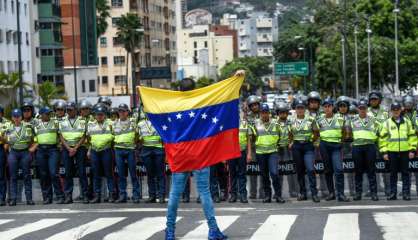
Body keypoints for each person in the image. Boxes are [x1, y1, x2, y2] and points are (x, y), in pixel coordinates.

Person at [164, 73, 245, 240]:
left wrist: (143, 92)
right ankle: (213, 229)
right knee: (205, 192)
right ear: (195, 90)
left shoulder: (172, 106)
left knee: (174, 194)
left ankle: (170, 231)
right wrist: (235, 78)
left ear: (179, 90)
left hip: (180, 155)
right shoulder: (201, 103)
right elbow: (220, 94)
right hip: (200, 154)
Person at [380, 102, 417, 201]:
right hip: (392, 152)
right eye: (394, 110)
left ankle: (406, 194)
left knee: (406, 173)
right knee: (393, 174)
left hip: (405, 151)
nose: (396, 111)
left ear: (401, 110)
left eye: (397, 109)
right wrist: (384, 152)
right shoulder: (387, 123)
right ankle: (393, 194)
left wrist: (412, 150)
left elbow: (412, 137)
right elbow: (382, 138)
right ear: (391, 111)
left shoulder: (407, 122)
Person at [249, 103, 284, 203]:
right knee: (264, 175)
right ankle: (267, 196)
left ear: (269, 113)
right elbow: (251, 138)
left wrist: (279, 145)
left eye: (266, 112)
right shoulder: (255, 123)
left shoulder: (276, 123)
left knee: (274, 173)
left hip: (273, 152)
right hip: (260, 153)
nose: (264, 115)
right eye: (263, 113)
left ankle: (278, 195)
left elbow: (282, 135)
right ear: (260, 113)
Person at [317, 98, 350, 202]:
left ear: (333, 107)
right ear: (323, 108)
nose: (327, 108)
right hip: (324, 146)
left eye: (329, 106)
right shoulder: (319, 119)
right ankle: (332, 193)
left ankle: (341, 194)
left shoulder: (340, 118)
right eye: (325, 106)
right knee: (328, 170)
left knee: (339, 169)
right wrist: (318, 142)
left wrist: (342, 141)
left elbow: (345, 131)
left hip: (336, 146)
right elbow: (314, 132)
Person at [346, 99, 379, 201]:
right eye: (360, 108)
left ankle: (374, 193)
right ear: (357, 109)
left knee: (371, 171)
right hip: (357, 147)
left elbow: (379, 132)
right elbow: (348, 133)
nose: (362, 110)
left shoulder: (373, 119)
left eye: (364, 108)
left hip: (370, 146)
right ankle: (358, 193)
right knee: (358, 171)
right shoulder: (352, 120)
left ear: (367, 108)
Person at [289, 99, 320, 203]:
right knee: (300, 171)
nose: (300, 110)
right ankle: (302, 193)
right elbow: (289, 133)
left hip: (308, 146)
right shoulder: (291, 120)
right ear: (295, 109)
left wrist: (311, 140)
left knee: (311, 169)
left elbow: (316, 132)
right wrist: (291, 142)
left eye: (302, 108)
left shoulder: (311, 119)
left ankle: (314, 193)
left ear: (305, 109)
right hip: (297, 146)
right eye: (298, 108)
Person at [33, 106, 64, 204]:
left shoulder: (55, 122)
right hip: (41, 150)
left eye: (49, 113)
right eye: (46, 114)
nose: (48, 115)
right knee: (43, 174)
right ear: (41, 115)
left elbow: (60, 135)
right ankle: (47, 197)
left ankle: (60, 196)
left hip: (53, 150)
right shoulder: (36, 124)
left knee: (53, 173)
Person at [59, 102, 89, 204]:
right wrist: (69, 148)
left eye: (71, 109)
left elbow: (84, 135)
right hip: (67, 148)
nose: (69, 111)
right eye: (67, 110)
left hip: (79, 148)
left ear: (76, 110)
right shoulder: (62, 121)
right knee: (68, 173)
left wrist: (75, 148)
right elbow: (61, 136)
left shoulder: (82, 120)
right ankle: (68, 196)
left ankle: (85, 195)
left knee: (82, 172)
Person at [4, 109, 35, 206]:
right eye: (15, 117)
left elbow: (33, 139)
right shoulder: (8, 128)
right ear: (12, 118)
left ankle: (29, 199)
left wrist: (31, 149)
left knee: (26, 176)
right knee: (13, 177)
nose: (17, 119)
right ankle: (13, 199)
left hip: (25, 152)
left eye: (18, 117)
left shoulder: (28, 127)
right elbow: (6, 141)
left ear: (21, 117)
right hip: (13, 153)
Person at [113, 103, 141, 203]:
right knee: (121, 174)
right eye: (120, 111)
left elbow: (138, 135)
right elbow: (112, 137)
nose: (122, 113)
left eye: (124, 111)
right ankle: (122, 195)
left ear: (127, 112)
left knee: (133, 174)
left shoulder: (133, 123)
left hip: (130, 150)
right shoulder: (114, 123)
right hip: (118, 150)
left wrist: (135, 146)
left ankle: (136, 195)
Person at [87, 106, 115, 203]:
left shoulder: (111, 124)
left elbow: (115, 137)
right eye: (97, 114)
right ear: (95, 115)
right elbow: (89, 139)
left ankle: (111, 195)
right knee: (96, 174)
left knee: (109, 174)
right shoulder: (90, 124)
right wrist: (89, 150)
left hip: (106, 150)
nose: (99, 116)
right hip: (94, 151)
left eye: (101, 114)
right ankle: (97, 196)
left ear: (105, 115)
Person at [138, 113, 166, 203]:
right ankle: (152, 196)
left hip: (158, 149)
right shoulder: (140, 124)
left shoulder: (160, 121)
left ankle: (161, 195)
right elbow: (138, 137)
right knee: (150, 174)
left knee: (160, 174)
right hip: (146, 150)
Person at [368, 90, 390, 196]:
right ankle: (373, 189)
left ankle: (388, 188)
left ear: (379, 100)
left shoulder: (386, 112)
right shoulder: (366, 112)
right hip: (371, 143)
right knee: (372, 166)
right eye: (371, 99)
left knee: (386, 166)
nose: (373, 101)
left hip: (384, 143)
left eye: (375, 99)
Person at [275, 102, 298, 198]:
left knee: (291, 171)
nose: (283, 114)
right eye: (281, 112)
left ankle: (293, 191)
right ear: (278, 113)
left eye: (284, 112)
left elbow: (295, 133)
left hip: (289, 150)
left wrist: (292, 142)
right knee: (278, 172)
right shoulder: (274, 123)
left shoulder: (292, 122)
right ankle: (278, 192)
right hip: (278, 150)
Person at [228, 107, 250, 203]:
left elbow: (249, 139)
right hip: (231, 152)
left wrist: (249, 153)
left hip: (242, 152)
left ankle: (243, 195)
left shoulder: (245, 124)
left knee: (242, 174)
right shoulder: (228, 125)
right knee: (232, 174)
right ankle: (233, 195)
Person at [246, 95, 264, 200]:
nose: (254, 107)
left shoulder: (264, 114)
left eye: (256, 104)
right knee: (252, 170)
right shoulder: (247, 117)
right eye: (252, 105)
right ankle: (253, 192)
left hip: (263, 145)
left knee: (263, 170)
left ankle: (262, 191)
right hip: (251, 147)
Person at [0, 105, 10, 206]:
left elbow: (7, 139)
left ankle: (2, 198)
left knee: (1, 175)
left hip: (1, 149)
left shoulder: (7, 123)